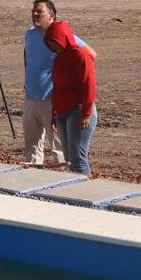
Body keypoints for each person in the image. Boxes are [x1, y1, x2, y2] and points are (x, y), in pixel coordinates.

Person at [23, 0, 97, 164]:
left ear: (51, 16)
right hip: (30, 96)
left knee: (59, 148)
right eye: (33, 11)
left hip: (52, 98)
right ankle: (33, 177)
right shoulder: (30, 34)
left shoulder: (62, 36)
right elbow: (27, 56)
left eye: (39, 11)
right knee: (32, 145)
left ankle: (63, 179)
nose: (35, 14)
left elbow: (90, 54)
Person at [44, 19, 98, 175]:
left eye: (55, 42)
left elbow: (89, 85)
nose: (53, 46)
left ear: (64, 38)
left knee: (78, 159)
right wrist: (55, 112)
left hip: (78, 111)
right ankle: (75, 188)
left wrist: (86, 113)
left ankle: (85, 189)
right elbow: (57, 87)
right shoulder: (59, 58)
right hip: (62, 112)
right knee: (69, 158)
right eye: (50, 43)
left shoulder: (80, 55)